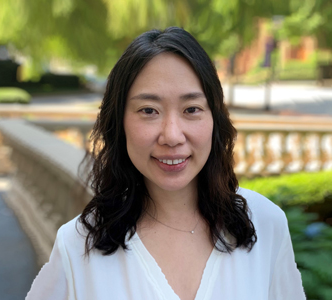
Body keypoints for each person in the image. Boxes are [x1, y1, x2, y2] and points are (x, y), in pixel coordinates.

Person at [26, 27, 305, 300]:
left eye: (191, 109)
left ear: (214, 120)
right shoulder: (78, 246)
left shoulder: (266, 225)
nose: (172, 136)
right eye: (149, 111)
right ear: (119, 123)